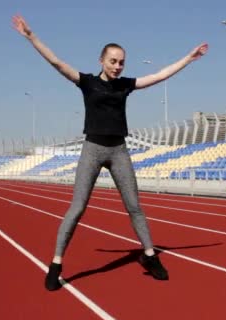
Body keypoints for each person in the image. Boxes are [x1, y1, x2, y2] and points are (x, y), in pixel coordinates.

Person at [12, 14, 208, 291]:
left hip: (118, 150)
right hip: (92, 150)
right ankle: (56, 264)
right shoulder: (87, 82)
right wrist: (31, 37)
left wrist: (188, 58)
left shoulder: (125, 85)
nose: (117, 66)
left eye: (121, 62)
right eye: (113, 61)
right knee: (77, 208)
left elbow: (159, 75)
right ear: (101, 61)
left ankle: (149, 256)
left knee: (134, 207)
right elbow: (57, 63)